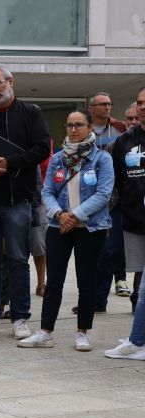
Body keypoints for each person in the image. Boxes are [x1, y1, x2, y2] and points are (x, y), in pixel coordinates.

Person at [0, 66, 51, 339]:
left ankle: (20, 317)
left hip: (17, 200)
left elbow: (41, 148)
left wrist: (9, 163)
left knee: (17, 259)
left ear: (11, 82)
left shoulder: (31, 113)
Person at [19, 111, 112, 351]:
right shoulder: (59, 158)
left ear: (89, 127)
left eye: (79, 125)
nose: (73, 129)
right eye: (69, 125)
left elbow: (104, 193)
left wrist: (76, 215)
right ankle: (45, 331)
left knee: (86, 280)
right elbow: (47, 191)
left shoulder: (101, 159)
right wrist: (60, 215)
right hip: (58, 226)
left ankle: (82, 332)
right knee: (54, 281)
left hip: (90, 227)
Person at [105, 89, 145, 360]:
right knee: (140, 280)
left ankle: (137, 340)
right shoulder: (124, 142)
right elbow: (117, 183)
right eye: (140, 103)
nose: (142, 107)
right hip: (134, 223)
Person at [89, 92, 131, 305]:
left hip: (114, 199)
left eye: (109, 104)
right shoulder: (85, 130)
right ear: (92, 108)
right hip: (89, 197)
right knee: (93, 252)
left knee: (110, 248)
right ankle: (94, 299)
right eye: (102, 104)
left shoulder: (120, 130)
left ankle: (101, 298)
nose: (107, 107)